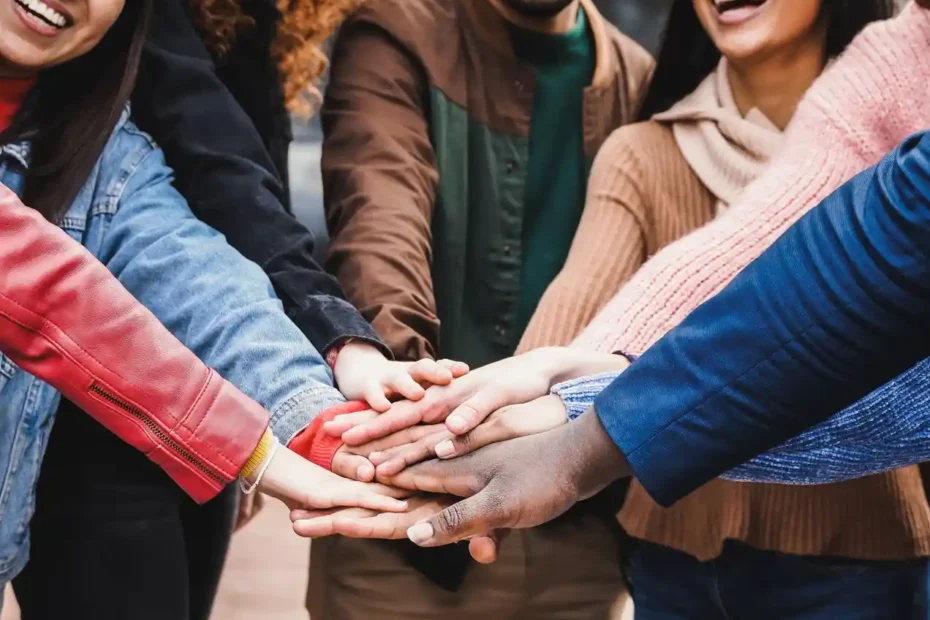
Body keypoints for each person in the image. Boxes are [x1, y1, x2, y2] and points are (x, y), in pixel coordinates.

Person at [0, 1, 438, 618]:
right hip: (110, 450)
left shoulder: (105, 148)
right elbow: (51, 293)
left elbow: (200, 276)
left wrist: (321, 419)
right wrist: (251, 446)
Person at [313, 0, 654, 616]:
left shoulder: (640, 81)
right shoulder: (400, 33)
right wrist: (412, 402)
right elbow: (378, 221)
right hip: (403, 510)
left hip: (580, 530)